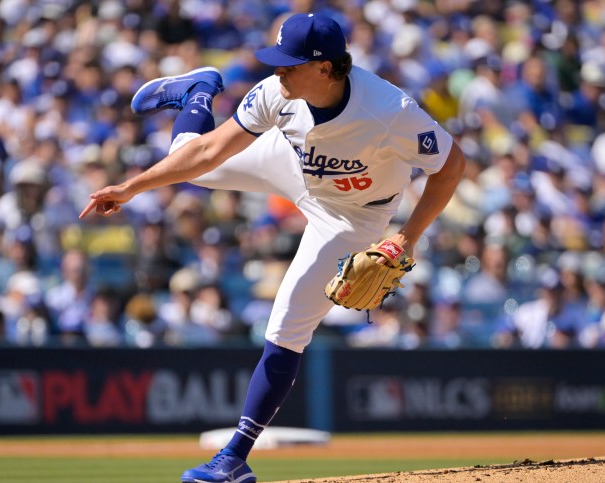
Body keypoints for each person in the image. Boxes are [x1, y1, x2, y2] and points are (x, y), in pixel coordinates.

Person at [80, 13, 465, 483]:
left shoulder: (389, 111)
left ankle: (234, 457)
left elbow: (451, 165)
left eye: (289, 64)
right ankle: (200, 91)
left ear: (325, 68)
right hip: (290, 163)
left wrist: (406, 237)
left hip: (354, 215)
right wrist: (132, 187)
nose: (278, 70)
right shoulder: (275, 94)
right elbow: (206, 152)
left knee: (287, 324)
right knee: (189, 158)